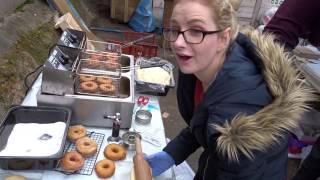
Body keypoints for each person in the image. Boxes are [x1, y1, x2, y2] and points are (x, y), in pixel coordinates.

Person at [144, 0, 313, 179]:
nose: (178, 42)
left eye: (196, 31)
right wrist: (172, 153)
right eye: (174, 29)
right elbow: (203, 121)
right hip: (216, 163)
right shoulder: (201, 66)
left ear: (223, 38)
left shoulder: (239, 112)